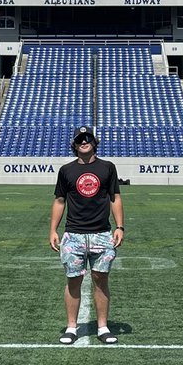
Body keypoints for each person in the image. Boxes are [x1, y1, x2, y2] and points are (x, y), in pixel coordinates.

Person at [49, 125, 124, 345]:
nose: (84, 142)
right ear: (74, 144)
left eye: (88, 138)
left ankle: (102, 327)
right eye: (80, 139)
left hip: (102, 234)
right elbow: (59, 201)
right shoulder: (66, 171)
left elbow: (115, 198)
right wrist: (53, 229)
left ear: (95, 142)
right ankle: (72, 327)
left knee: (101, 280)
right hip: (74, 235)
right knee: (73, 280)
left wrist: (120, 226)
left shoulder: (108, 168)